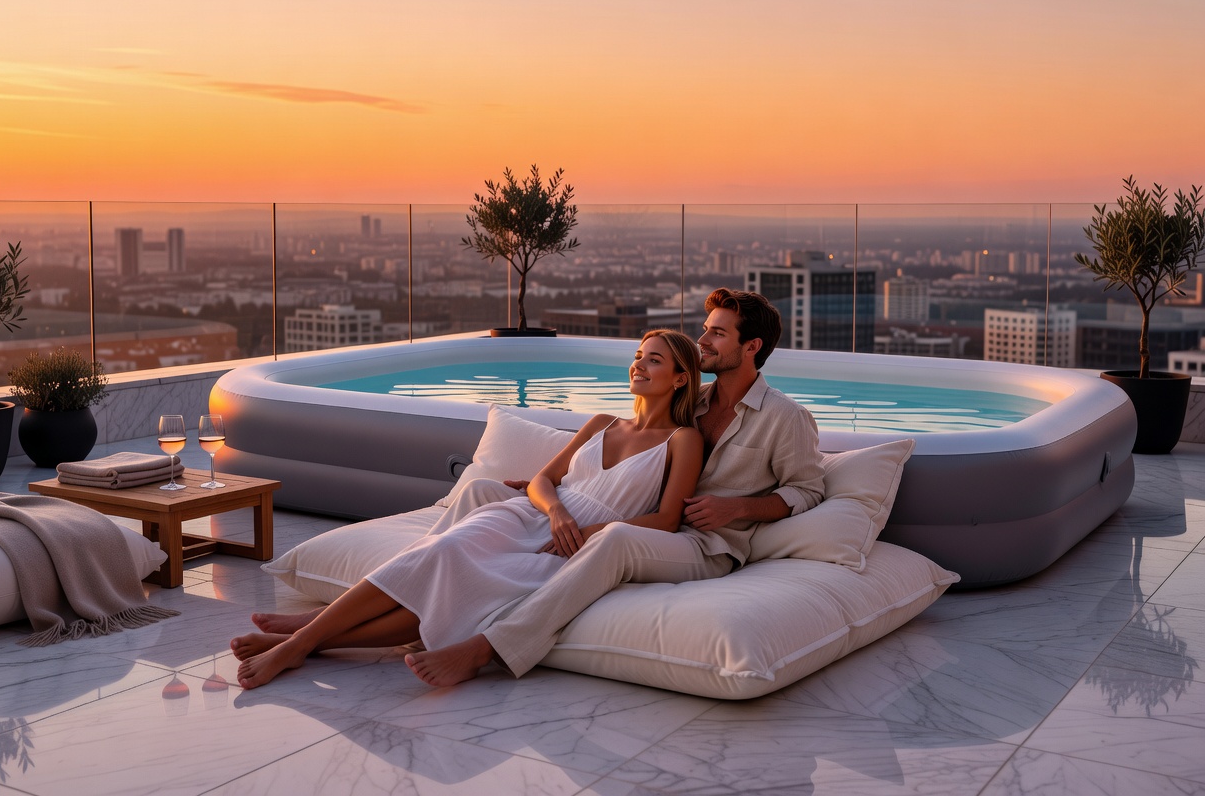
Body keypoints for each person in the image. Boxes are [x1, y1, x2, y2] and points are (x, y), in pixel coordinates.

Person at [230, 330, 704, 690]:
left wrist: (587, 530)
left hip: (578, 544)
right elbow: (542, 480)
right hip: (529, 518)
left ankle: (307, 642)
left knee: (461, 589)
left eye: (654, 360)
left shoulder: (683, 440)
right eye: (638, 356)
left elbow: (666, 519)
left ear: (681, 378)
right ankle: (300, 642)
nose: (639, 365)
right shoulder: (603, 422)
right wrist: (557, 513)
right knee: (439, 552)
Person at [404, 288, 825, 687]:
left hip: (706, 545)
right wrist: (556, 490)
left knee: (617, 537)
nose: (703, 340)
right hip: (656, 522)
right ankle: (412, 594)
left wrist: (738, 509)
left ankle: (487, 647)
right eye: (705, 328)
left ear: (751, 347)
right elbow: (632, 449)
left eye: (718, 332)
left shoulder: (785, 418)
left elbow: (808, 491)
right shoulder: (691, 400)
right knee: (487, 493)